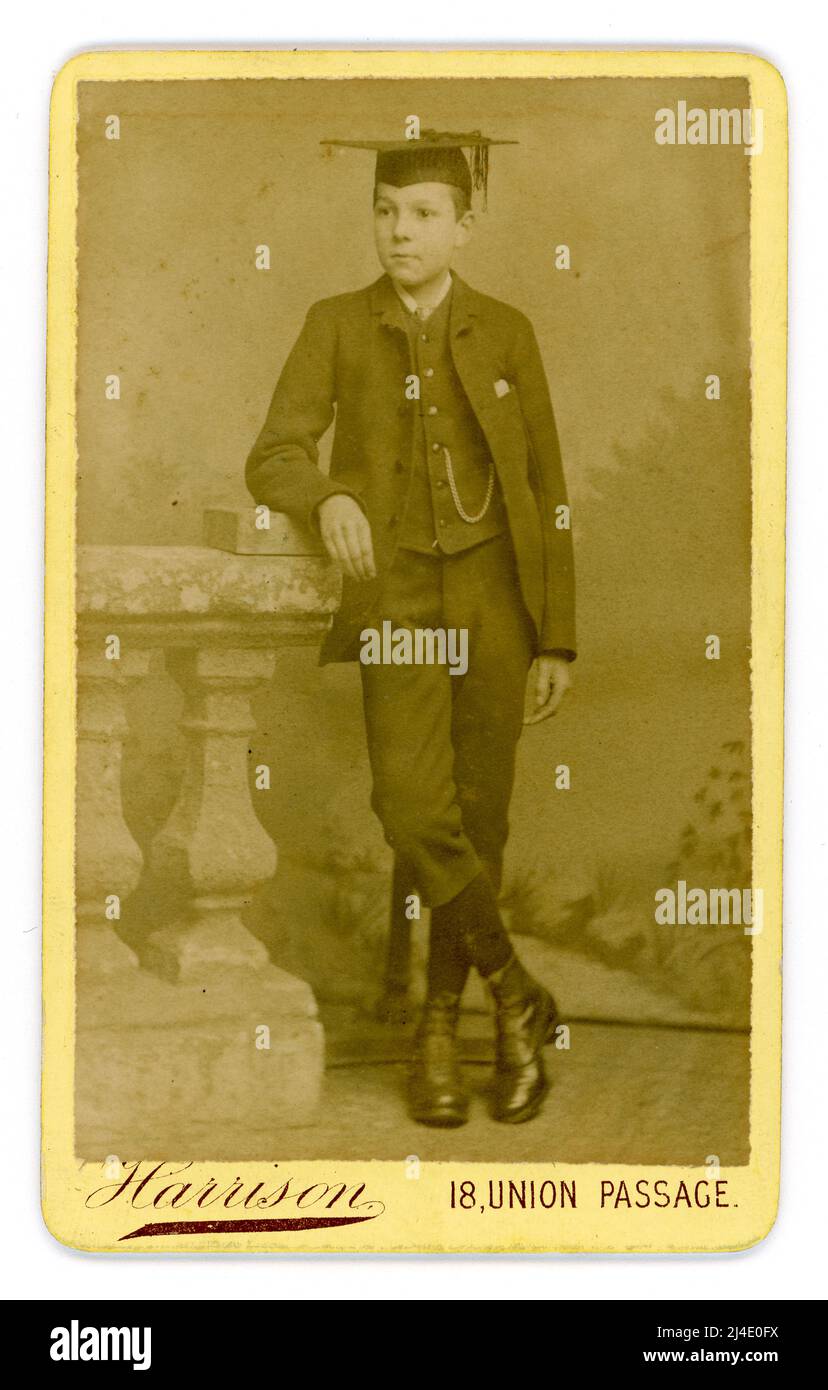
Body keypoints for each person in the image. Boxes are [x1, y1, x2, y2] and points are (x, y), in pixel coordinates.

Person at [246, 129, 576, 1127]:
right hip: (398, 602)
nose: (401, 232)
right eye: (388, 213)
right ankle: (521, 992)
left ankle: (444, 1025)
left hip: (494, 600)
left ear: (464, 225)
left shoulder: (507, 330)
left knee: (480, 816)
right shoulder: (337, 323)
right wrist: (328, 496)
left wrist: (555, 634)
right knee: (410, 801)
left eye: (424, 214)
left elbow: (549, 489)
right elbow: (273, 455)